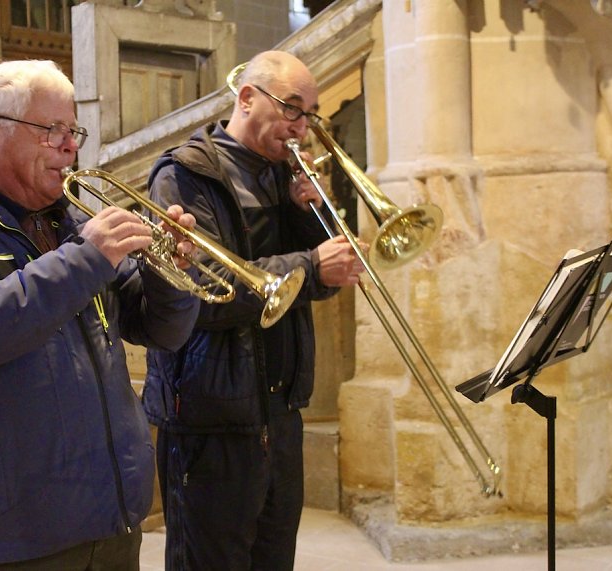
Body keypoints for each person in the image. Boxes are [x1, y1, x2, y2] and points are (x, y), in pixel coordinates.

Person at [0, 59, 200, 571]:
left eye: (73, 131)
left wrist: (169, 271)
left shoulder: (72, 225)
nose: (70, 146)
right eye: (52, 130)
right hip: (11, 539)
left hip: (113, 519)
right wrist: (85, 260)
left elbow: (163, 331)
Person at [143, 50, 365, 570]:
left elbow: (316, 289)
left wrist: (310, 214)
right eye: (293, 108)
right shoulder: (184, 175)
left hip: (279, 412)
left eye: (309, 113)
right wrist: (310, 263)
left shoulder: (280, 173)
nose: (302, 127)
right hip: (209, 417)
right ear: (247, 97)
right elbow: (204, 292)